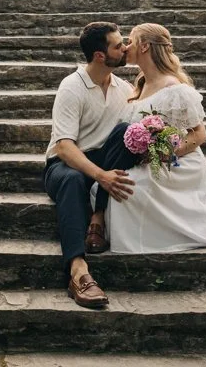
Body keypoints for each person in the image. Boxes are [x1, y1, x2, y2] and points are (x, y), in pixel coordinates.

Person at [106, 22, 206, 254]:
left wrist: (165, 153)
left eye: (130, 41)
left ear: (144, 46)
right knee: (115, 183)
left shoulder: (174, 87)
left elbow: (199, 134)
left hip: (178, 162)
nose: (126, 46)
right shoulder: (139, 86)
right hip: (147, 159)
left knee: (131, 187)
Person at [41, 21, 144, 309]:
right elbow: (63, 146)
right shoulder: (72, 86)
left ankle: (97, 218)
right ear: (100, 55)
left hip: (102, 160)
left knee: (128, 131)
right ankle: (78, 272)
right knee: (73, 180)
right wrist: (101, 177)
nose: (125, 48)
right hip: (64, 164)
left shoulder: (124, 87)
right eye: (118, 45)